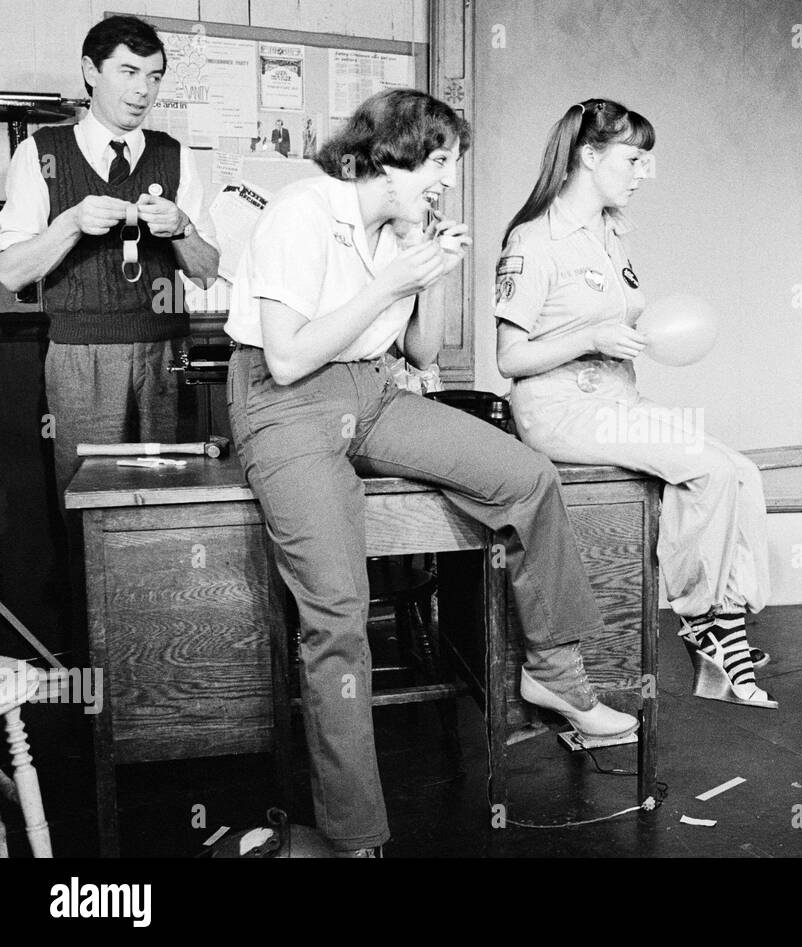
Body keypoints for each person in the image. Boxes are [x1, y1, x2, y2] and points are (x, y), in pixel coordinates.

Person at [224, 88, 635, 856]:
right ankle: (356, 836)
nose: (448, 178)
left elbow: (420, 353)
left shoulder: (402, 230)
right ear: (387, 154)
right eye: (438, 161)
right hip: (283, 403)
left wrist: (432, 270)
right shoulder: (304, 211)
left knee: (528, 475)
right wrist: (388, 283)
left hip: (373, 388)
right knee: (339, 614)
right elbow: (287, 355)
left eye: (453, 163)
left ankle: (554, 670)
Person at [494, 98, 775, 709]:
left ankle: (722, 633)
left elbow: (613, 314)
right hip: (561, 410)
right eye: (634, 157)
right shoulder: (534, 241)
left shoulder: (611, 231)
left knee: (742, 473)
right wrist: (590, 337)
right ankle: (707, 626)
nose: (646, 170)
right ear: (588, 156)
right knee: (709, 469)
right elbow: (509, 358)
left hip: (617, 398)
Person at [0, 14, 220, 503]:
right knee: (87, 500)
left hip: (166, 356)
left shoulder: (175, 156)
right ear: (90, 70)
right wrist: (70, 224)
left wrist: (181, 227)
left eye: (154, 76)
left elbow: (207, 271)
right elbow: (11, 271)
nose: (143, 89)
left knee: (173, 497)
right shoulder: (40, 153)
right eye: (128, 72)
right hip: (81, 358)